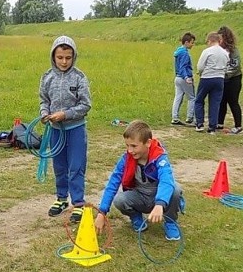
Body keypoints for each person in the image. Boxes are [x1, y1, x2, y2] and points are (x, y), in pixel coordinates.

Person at [94, 120, 183, 241]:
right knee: (119, 199)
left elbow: (166, 180)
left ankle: (170, 222)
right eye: (127, 145)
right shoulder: (126, 159)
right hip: (140, 196)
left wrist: (160, 204)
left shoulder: (160, 158)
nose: (130, 150)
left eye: (134, 146)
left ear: (148, 143)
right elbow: (112, 184)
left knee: (175, 189)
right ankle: (136, 217)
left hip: (160, 198)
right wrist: (102, 212)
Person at [40, 35, 91, 224]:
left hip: (76, 130)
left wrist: (66, 114)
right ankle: (61, 199)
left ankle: (78, 203)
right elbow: (44, 100)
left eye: (68, 58)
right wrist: (45, 113)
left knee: (76, 167)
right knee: (59, 166)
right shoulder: (47, 77)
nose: (64, 61)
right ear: (53, 56)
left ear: (74, 56)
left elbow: (85, 105)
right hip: (55, 131)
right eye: (60, 57)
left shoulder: (79, 77)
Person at [193, 32, 228, 133]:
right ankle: (212, 127)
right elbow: (226, 66)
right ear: (219, 41)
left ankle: (199, 123)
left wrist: (200, 72)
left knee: (199, 100)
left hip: (207, 77)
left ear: (210, 40)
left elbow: (200, 66)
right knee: (215, 102)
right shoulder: (225, 53)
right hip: (220, 78)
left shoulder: (207, 51)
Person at [216, 25, 243, 134]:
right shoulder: (218, 50)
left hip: (234, 79)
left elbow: (235, 66)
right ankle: (219, 123)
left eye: (221, 38)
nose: (220, 40)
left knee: (233, 101)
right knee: (221, 101)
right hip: (222, 78)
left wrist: (224, 75)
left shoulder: (234, 51)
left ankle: (238, 126)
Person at [170, 32, 196, 126]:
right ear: (186, 42)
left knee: (178, 97)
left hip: (177, 78)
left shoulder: (178, 51)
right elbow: (183, 67)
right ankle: (190, 118)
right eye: (192, 42)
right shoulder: (185, 53)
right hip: (184, 78)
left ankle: (175, 117)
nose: (193, 45)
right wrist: (186, 77)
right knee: (192, 98)